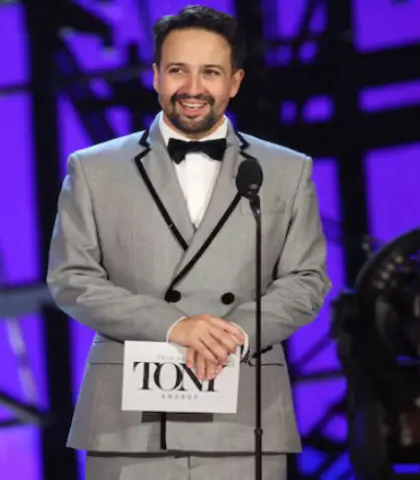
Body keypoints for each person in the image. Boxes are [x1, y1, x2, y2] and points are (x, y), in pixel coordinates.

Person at [46, 5, 331, 479]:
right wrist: (173, 326)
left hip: (246, 413)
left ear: (235, 82)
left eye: (211, 73)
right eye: (178, 70)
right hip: (128, 423)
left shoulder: (285, 169)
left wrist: (235, 334)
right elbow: (71, 279)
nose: (193, 89)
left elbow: (306, 280)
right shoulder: (94, 169)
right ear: (156, 76)